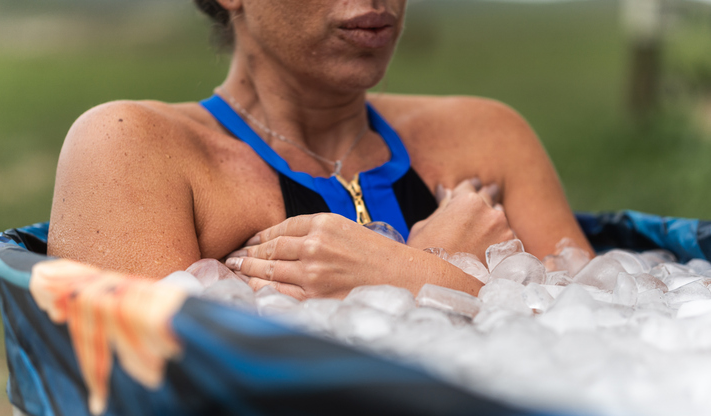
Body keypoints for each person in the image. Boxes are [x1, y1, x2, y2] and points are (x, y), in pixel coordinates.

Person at [47, 0, 593, 300]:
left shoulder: (487, 136)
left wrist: (404, 277)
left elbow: (621, 342)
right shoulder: (135, 148)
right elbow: (145, 401)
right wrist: (439, 276)